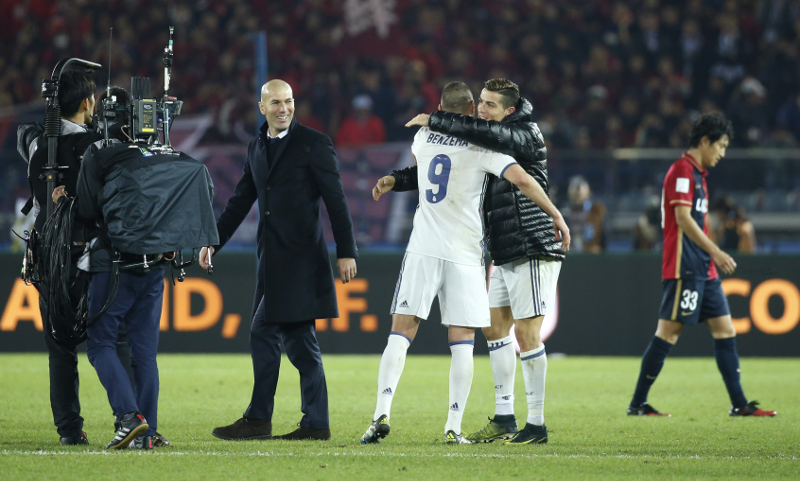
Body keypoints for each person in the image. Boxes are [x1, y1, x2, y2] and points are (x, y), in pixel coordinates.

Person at [362, 81, 566, 445]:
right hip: (471, 253)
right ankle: (459, 425)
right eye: (481, 104)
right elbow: (518, 177)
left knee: (401, 330)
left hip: (447, 246)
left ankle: (381, 413)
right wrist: (556, 213)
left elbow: (429, 166)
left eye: (493, 105)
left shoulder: (427, 138)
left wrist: (402, 167)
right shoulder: (483, 144)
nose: (485, 111)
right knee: (470, 337)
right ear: (472, 108)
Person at [56, 90, 218, 449]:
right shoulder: (171, 155)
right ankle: (149, 434)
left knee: (99, 345)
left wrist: (64, 201)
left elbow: (84, 211)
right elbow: (202, 183)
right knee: (144, 355)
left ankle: (130, 418)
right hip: (155, 268)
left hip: (113, 266)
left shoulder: (101, 153)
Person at [204, 79, 358, 442]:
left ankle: (261, 419)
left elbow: (336, 201)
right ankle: (315, 423)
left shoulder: (314, 144)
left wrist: (347, 250)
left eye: (288, 101)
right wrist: (213, 242)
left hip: (301, 260)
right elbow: (241, 200)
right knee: (300, 342)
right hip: (271, 261)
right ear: (262, 108)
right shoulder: (257, 146)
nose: (284, 108)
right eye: (275, 103)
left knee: (263, 332)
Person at [627, 113, 776, 418]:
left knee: (725, 330)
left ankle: (739, 404)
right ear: (705, 141)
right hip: (686, 267)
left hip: (703, 269)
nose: (722, 153)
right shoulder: (682, 171)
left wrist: (711, 255)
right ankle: (637, 404)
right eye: (720, 146)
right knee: (667, 334)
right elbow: (682, 220)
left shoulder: (698, 176)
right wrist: (717, 252)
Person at [19, 71, 134, 446]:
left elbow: (27, 136)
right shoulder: (95, 146)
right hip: (89, 255)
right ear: (88, 103)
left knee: (60, 348)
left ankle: (69, 430)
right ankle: (130, 416)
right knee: (113, 340)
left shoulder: (39, 145)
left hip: (46, 257)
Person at [564, 175, 607, 253]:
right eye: (573, 187)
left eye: (579, 187)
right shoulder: (564, 214)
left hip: (592, 257)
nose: (577, 191)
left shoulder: (597, 212)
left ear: (589, 192)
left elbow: (603, 239)